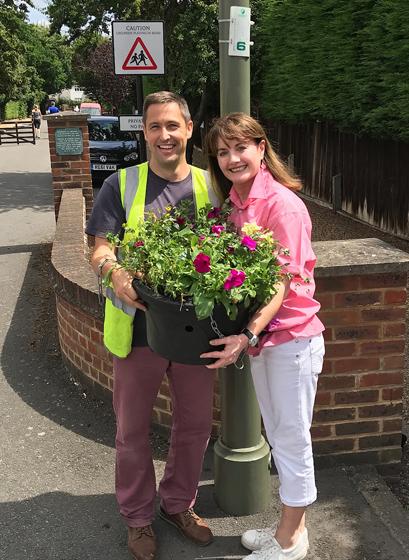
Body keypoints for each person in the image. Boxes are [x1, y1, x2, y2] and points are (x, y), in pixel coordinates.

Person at [86, 91, 221, 560]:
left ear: (189, 129)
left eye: (173, 126)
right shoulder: (119, 186)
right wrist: (115, 272)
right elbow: (100, 249)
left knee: (196, 425)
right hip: (138, 333)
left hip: (196, 334)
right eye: (155, 127)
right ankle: (138, 517)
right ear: (144, 133)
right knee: (132, 431)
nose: (165, 135)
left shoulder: (212, 187)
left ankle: (178, 503)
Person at [202, 113, 325, 560]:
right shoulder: (236, 202)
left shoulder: (282, 206)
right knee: (280, 436)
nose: (232, 158)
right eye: (222, 151)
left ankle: (291, 542)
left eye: (240, 148)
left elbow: (282, 282)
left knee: (291, 441)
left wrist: (247, 335)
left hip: (289, 340)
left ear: (260, 147)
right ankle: (288, 530)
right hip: (266, 340)